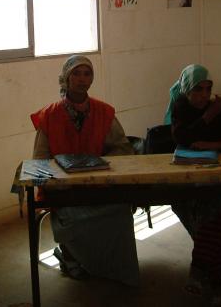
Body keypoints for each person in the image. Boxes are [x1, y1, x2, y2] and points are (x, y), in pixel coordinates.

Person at [31, 55, 139, 285]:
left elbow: (123, 148)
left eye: (87, 73)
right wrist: (62, 172)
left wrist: (98, 163)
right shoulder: (49, 115)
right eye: (76, 74)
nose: (82, 79)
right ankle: (71, 257)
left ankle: (109, 266)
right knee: (73, 217)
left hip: (99, 184)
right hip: (65, 190)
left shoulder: (104, 112)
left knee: (119, 211)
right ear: (66, 78)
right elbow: (39, 159)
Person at [164, 64, 221, 307]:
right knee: (214, 220)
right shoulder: (181, 107)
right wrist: (207, 118)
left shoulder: (216, 109)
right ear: (186, 90)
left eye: (208, 88)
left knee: (211, 211)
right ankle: (217, 284)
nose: (204, 95)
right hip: (183, 186)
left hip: (211, 180)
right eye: (198, 89)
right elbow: (181, 137)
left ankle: (200, 272)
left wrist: (210, 145)